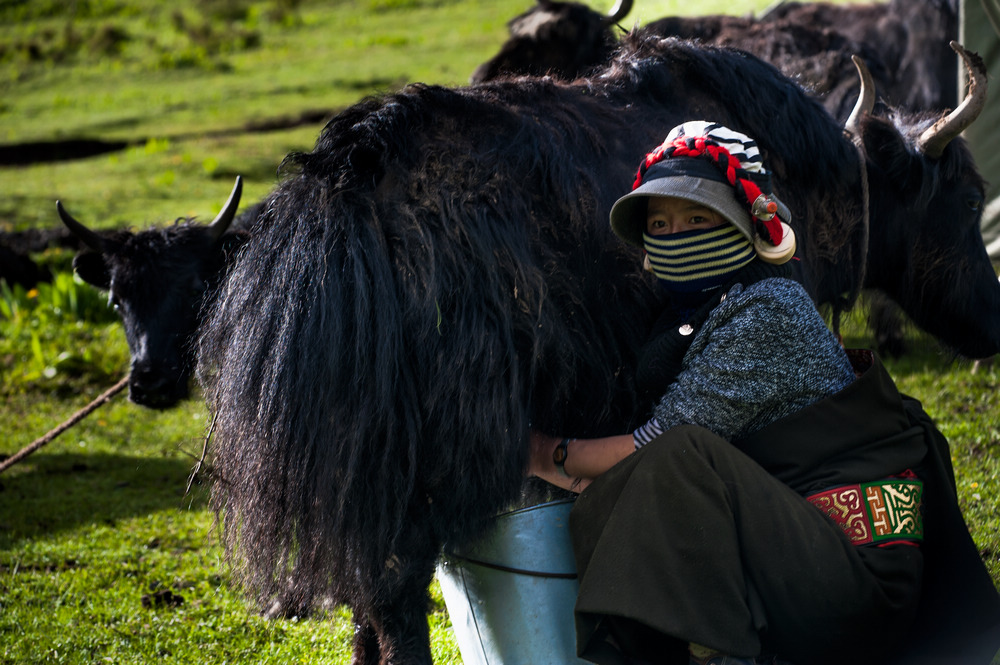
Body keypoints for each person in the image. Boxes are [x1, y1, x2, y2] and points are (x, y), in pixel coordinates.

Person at [527, 121, 1000, 665]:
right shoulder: (692, 315)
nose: (675, 235)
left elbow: (652, 448)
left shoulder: (768, 311)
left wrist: (539, 452)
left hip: (856, 583)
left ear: (743, 225)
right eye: (659, 222)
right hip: (796, 561)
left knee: (676, 457)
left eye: (696, 218)